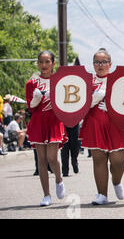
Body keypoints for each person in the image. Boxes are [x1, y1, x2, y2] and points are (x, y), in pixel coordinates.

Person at [79, 48, 124, 205]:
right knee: (98, 159)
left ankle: (116, 181)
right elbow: (79, 105)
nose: (100, 65)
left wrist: (114, 107)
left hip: (116, 124)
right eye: (96, 62)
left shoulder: (118, 79)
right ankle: (102, 194)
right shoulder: (87, 81)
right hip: (95, 123)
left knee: (118, 160)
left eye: (103, 62)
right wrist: (93, 99)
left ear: (110, 63)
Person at [26, 50, 67, 206]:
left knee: (52, 158)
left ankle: (59, 178)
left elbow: (66, 101)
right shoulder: (32, 83)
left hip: (54, 122)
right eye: (41, 62)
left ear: (53, 63)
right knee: (41, 160)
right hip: (38, 122)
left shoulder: (59, 81)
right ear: (38, 63)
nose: (44, 65)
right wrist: (36, 98)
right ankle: (46, 195)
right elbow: (31, 107)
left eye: (47, 61)